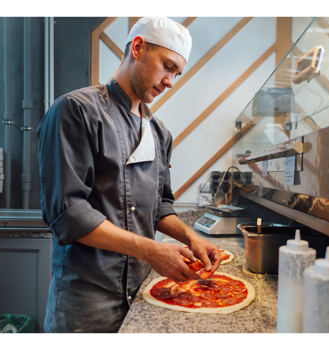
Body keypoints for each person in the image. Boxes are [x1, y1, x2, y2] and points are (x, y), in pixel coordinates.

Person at [37, 17, 221, 333]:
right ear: (137, 47)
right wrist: (150, 250)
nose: (170, 82)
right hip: (86, 301)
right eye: (167, 66)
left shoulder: (160, 133)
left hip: (141, 292)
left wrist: (191, 237)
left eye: (177, 74)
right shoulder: (76, 110)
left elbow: (160, 206)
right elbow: (67, 213)